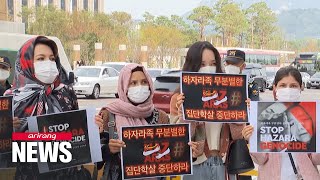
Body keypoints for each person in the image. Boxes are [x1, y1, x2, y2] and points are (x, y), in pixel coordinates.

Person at [7, 36, 103, 180]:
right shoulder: (11, 99)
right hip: (29, 175)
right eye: (40, 59)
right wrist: (6, 130)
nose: (49, 63)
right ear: (26, 62)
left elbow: (77, 132)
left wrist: (93, 128)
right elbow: (7, 147)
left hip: (67, 174)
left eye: (52, 59)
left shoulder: (66, 92)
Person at [170, 41, 245, 180]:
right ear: (193, 66)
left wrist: (239, 111)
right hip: (197, 165)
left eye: (213, 63)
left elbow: (238, 136)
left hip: (224, 163)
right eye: (202, 64)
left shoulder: (228, 93)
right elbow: (178, 140)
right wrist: (186, 112)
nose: (208, 68)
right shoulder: (178, 98)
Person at [242, 66, 320, 180]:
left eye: (293, 86)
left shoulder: (311, 116)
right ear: (275, 88)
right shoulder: (265, 115)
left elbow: (316, 159)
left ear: (301, 87)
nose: (288, 89)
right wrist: (251, 138)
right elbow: (261, 159)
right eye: (283, 85)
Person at [95, 63, 169, 180]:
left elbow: (170, 156)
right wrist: (109, 149)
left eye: (144, 82)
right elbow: (95, 162)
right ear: (124, 86)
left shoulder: (161, 117)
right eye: (133, 83)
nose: (140, 87)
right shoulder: (108, 115)